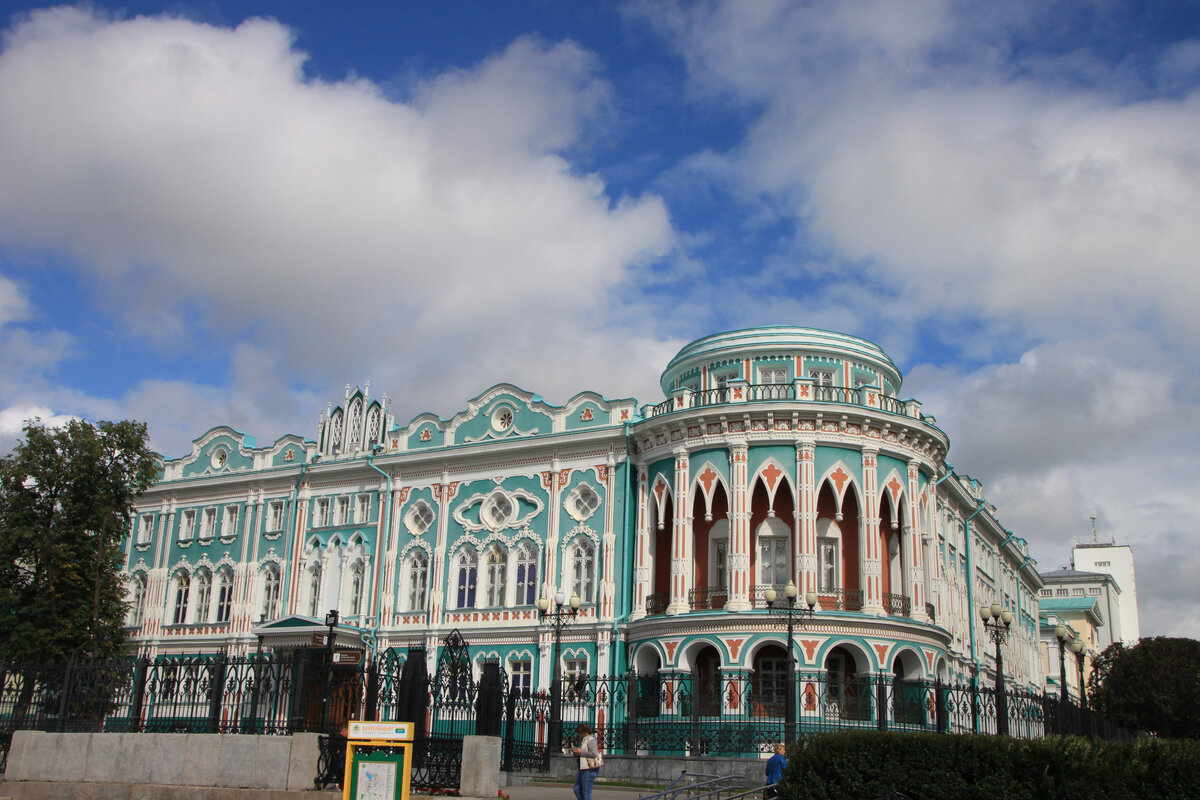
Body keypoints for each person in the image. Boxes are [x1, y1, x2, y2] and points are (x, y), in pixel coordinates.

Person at [571, 723, 601, 800]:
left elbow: (594, 753)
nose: (579, 735)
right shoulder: (584, 740)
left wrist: (580, 752)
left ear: (584, 732)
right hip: (583, 768)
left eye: (580, 733)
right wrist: (577, 753)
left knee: (586, 792)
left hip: (589, 768)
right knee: (577, 789)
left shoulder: (591, 740)